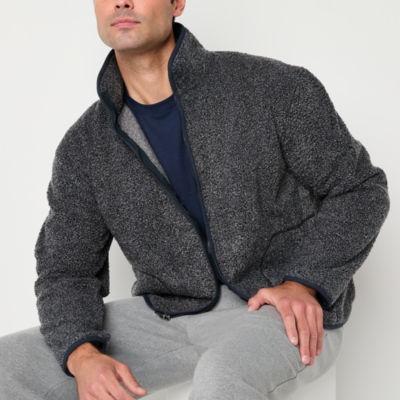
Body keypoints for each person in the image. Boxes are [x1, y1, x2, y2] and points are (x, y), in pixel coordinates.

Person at [0, 0, 390, 399]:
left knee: (223, 376)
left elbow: (359, 188)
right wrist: (82, 355)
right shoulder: (85, 145)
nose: (122, 1)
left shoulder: (272, 87)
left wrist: (302, 283)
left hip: (280, 311)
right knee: (6, 365)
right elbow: (66, 270)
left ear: (177, 3)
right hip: (168, 316)